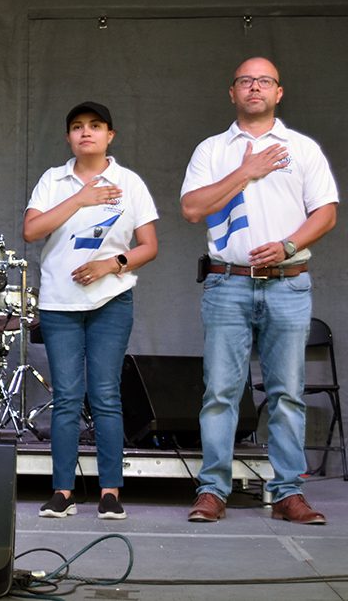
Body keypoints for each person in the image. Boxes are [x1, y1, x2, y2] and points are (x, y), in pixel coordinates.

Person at [181, 57, 337, 525]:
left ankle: (288, 492)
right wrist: (246, 171)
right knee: (221, 391)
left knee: (288, 392)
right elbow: (192, 208)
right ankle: (213, 490)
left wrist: (289, 245)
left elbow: (326, 212)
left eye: (264, 81)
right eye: (246, 81)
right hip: (227, 281)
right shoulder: (212, 150)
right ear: (232, 92)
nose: (255, 88)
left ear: (279, 93)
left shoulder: (302, 148)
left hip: (289, 284)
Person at [23, 102, 158, 520]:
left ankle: (110, 491)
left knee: (105, 395)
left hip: (111, 301)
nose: (86, 133)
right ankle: (62, 491)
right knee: (66, 398)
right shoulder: (53, 180)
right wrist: (80, 198)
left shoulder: (129, 182)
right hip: (60, 304)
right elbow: (31, 231)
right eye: (78, 127)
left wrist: (111, 265)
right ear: (68, 137)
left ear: (110, 135)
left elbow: (149, 246)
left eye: (95, 126)